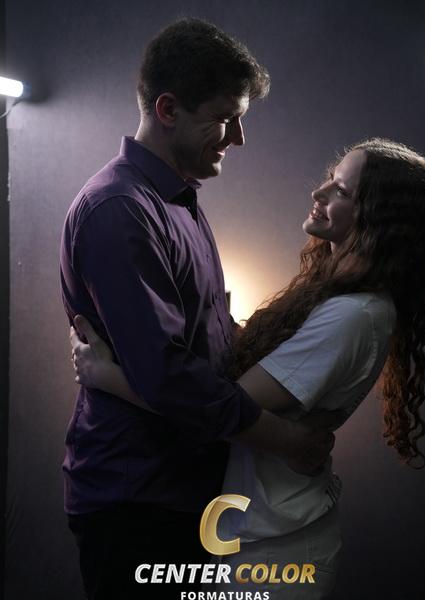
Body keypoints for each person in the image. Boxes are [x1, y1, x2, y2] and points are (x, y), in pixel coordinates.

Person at [70, 138, 425, 599]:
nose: (319, 192)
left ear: (378, 219)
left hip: (280, 548)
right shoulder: (337, 297)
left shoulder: (355, 315)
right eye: (330, 179)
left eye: (341, 191)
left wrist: (106, 377)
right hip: (256, 535)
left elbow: (223, 407)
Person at [60, 18, 337, 600]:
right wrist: (286, 441)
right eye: (225, 117)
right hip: (138, 503)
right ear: (167, 109)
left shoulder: (178, 201)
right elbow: (171, 378)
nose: (238, 138)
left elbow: (209, 342)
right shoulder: (119, 211)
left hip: (185, 496)